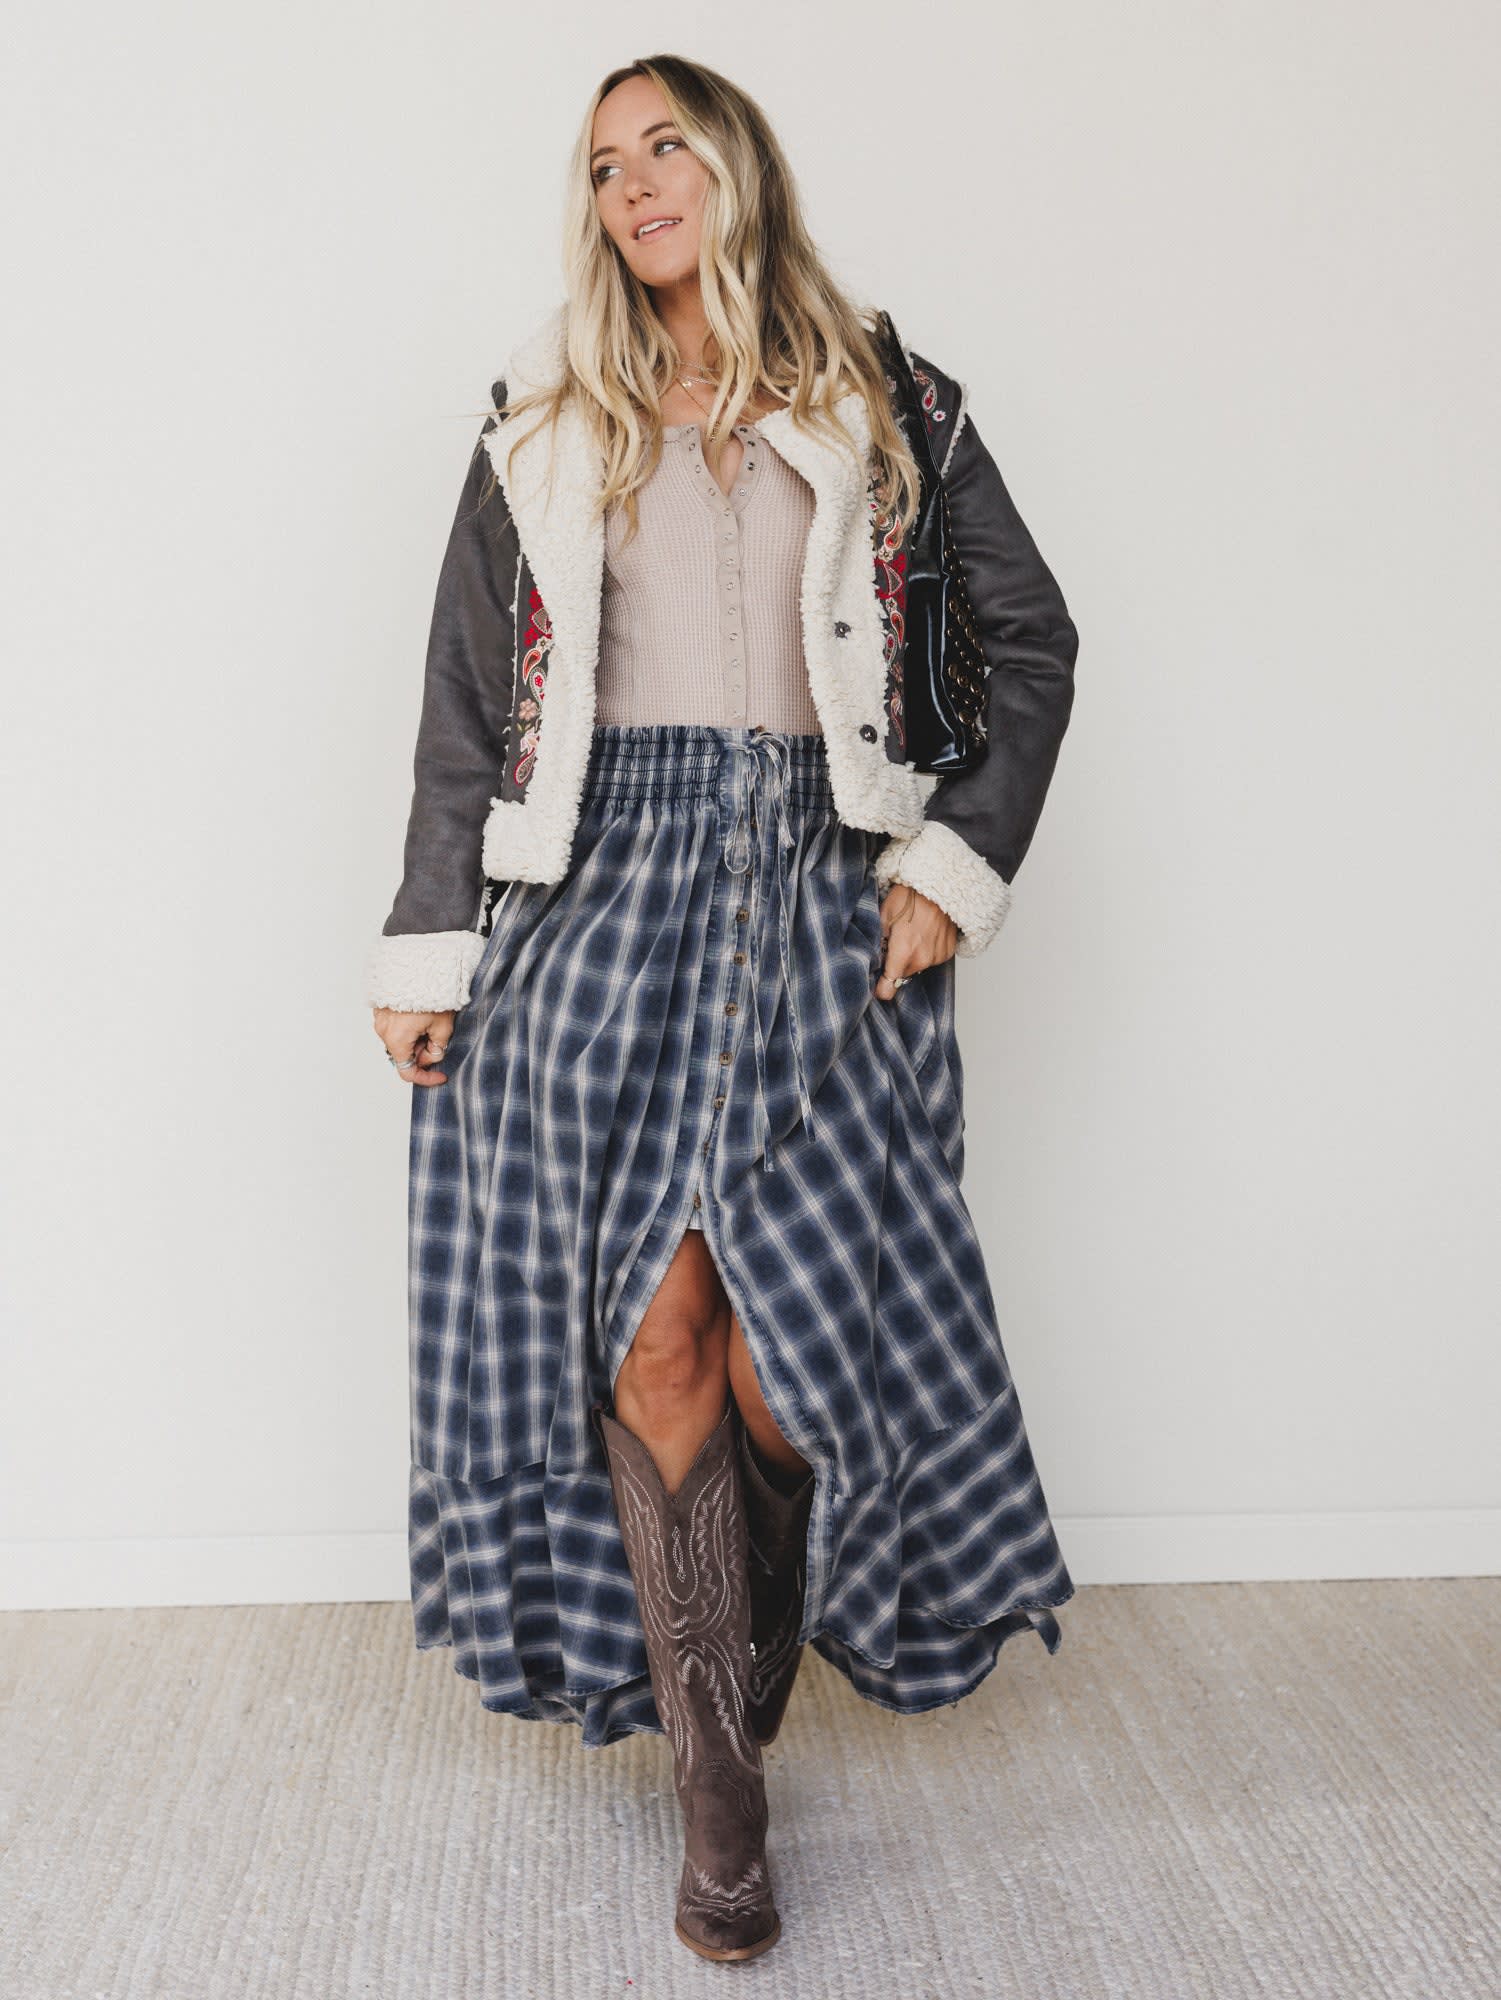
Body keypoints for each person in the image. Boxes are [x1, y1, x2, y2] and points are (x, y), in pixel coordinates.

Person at [365, 52, 1080, 1965]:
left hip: (824, 886)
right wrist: (430, 938)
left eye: (666, 145)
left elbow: (1031, 641)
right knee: (653, 1328)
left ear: (738, 165)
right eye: (605, 164)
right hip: (600, 885)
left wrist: (948, 864)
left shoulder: (889, 400)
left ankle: (736, 1655)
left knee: (788, 1352)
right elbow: (463, 709)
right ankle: (718, 1792)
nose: (634, 185)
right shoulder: (542, 419)